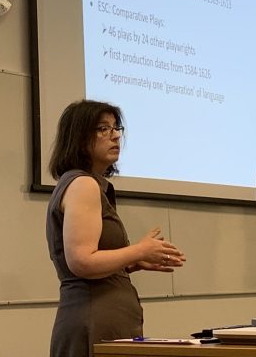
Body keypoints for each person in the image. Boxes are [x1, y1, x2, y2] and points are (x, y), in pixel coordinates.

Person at [46, 100, 186, 356]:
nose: (115, 135)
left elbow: (91, 260)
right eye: (103, 129)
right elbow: (81, 262)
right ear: (79, 138)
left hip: (103, 318)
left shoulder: (89, 185)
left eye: (116, 128)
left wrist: (132, 262)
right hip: (93, 320)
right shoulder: (83, 185)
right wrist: (139, 251)